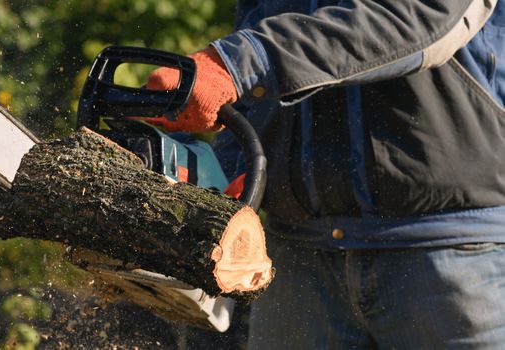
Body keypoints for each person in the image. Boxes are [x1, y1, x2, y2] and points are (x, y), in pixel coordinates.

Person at [142, 1, 505, 349]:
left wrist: (237, 62)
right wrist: (234, 169)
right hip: (299, 257)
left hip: (451, 250)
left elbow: (424, 16)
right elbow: (256, 31)